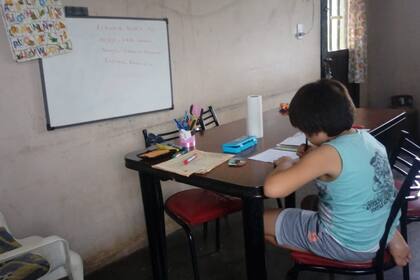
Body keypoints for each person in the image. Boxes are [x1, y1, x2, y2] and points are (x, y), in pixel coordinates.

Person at [263, 79, 410, 266]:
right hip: (376, 234)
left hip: (345, 245)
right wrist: (313, 157)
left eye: (306, 132)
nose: (306, 137)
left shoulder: (326, 154)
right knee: (309, 203)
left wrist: (284, 163)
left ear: (316, 126)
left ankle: (316, 246)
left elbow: (272, 189)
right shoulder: (367, 138)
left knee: (258, 221)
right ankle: (392, 237)